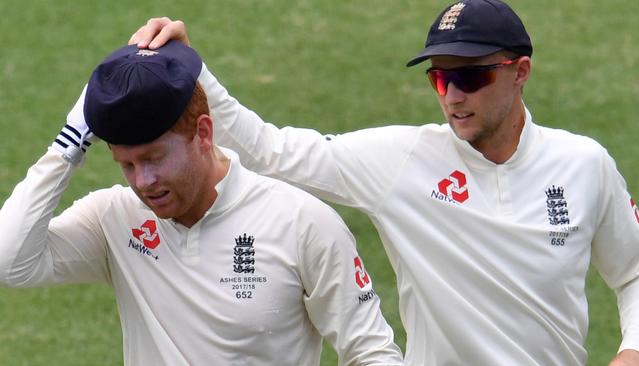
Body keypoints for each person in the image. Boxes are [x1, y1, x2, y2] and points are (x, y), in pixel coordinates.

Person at [129, 1, 639, 365]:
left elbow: (638, 268)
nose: (452, 95)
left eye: (470, 77)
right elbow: (269, 149)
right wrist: (190, 64)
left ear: (521, 72)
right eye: (439, 78)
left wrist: (637, 349)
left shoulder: (585, 164)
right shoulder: (400, 160)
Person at [0, 40, 405, 366]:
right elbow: (10, 262)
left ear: (204, 133)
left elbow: (370, 353)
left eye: (155, 159)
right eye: (126, 165)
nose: (144, 182)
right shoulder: (114, 219)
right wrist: (70, 143)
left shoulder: (302, 223)